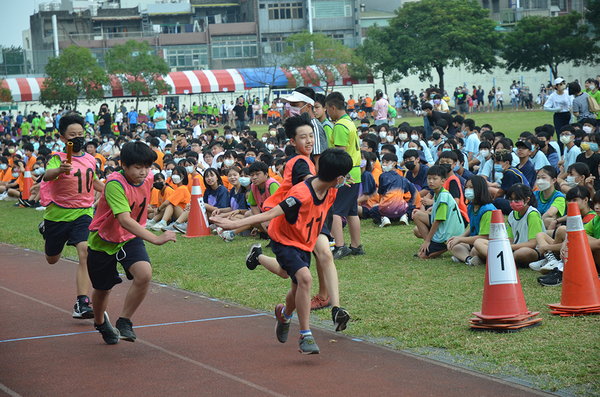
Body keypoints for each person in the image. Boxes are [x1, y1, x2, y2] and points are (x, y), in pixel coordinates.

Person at [210, 148, 353, 355]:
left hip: (304, 242)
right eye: (344, 176)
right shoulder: (301, 194)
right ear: (337, 177)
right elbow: (272, 213)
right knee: (305, 278)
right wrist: (233, 225)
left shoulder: (332, 188)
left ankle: (284, 314)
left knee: (295, 287)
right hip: (284, 240)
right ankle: (305, 336)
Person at [87, 141, 176, 344]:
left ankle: (124, 321)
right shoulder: (114, 184)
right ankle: (100, 323)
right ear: (124, 165)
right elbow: (124, 220)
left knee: (144, 274)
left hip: (130, 237)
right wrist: (155, 238)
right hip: (104, 240)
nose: (144, 172)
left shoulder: (149, 176)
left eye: (147, 166)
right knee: (102, 289)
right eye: (138, 167)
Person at [39, 113, 105, 319]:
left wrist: (111, 191)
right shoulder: (56, 158)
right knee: (52, 258)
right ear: (62, 138)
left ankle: (82, 302)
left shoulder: (90, 159)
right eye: (72, 135)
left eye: (80, 134)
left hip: (83, 213)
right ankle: (45, 229)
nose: (77, 138)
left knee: (85, 251)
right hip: (57, 215)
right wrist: (59, 169)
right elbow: (46, 176)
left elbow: (92, 181)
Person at [325, 92, 364, 259]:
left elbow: (340, 154)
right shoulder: (350, 122)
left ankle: (340, 246)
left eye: (327, 109)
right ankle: (356, 246)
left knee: (336, 211)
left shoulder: (340, 125)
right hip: (355, 170)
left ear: (333, 108)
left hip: (346, 172)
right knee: (352, 211)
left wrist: (340, 174)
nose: (327, 112)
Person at [474, 183, 544, 268]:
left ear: (527, 200)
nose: (513, 203)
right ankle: (502, 260)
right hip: (513, 248)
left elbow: (532, 244)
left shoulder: (532, 214)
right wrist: (505, 246)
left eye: (517, 200)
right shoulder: (512, 214)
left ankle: (497, 260)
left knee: (522, 253)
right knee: (478, 243)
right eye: (511, 200)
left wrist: (509, 247)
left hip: (533, 251)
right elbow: (510, 239)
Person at [413, 165, 464, 259]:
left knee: (422, 256)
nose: (431, 181)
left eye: (435, 179)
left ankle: (446, 244)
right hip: (445, 227)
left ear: (443, 181)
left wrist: (427, 240)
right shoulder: (438, 193)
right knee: (417, 215)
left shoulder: (443, 196)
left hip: (449, 233)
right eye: (429, 178)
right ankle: (431, 246)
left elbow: (438, 220)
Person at [447, 175, 496, 265]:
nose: (467, 190)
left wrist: (461, 239)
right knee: (451, 244)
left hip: (486, 243)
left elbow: (484, 236)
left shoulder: (488, 210)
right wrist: (459, 238)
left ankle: (467, 256)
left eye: (471, 187)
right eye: (466, 187)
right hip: (475, 241)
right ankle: (469, 259)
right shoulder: (471, 206)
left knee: (475, 249)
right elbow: (473, 227)